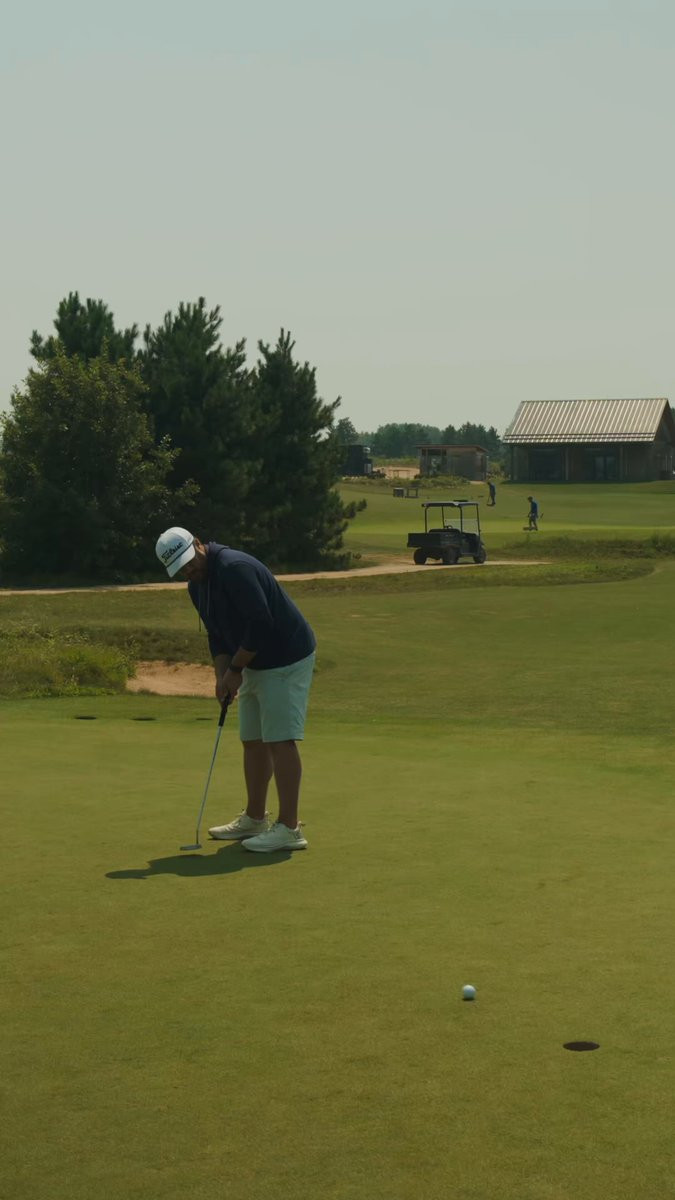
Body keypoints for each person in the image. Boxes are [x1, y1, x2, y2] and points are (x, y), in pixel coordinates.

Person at [155, 527, 316, 853]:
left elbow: (261, 623)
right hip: (254, 659)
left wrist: (236, 670)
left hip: (285, 655)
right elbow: (216, 634)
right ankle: (255, 818)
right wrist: (221, 676)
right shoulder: (197, 587)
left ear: (198, 544)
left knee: (280, 739)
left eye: (190, 562)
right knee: (252, 739)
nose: (189, 571)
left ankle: (289, 828)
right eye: (182, 569)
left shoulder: (234, 568)